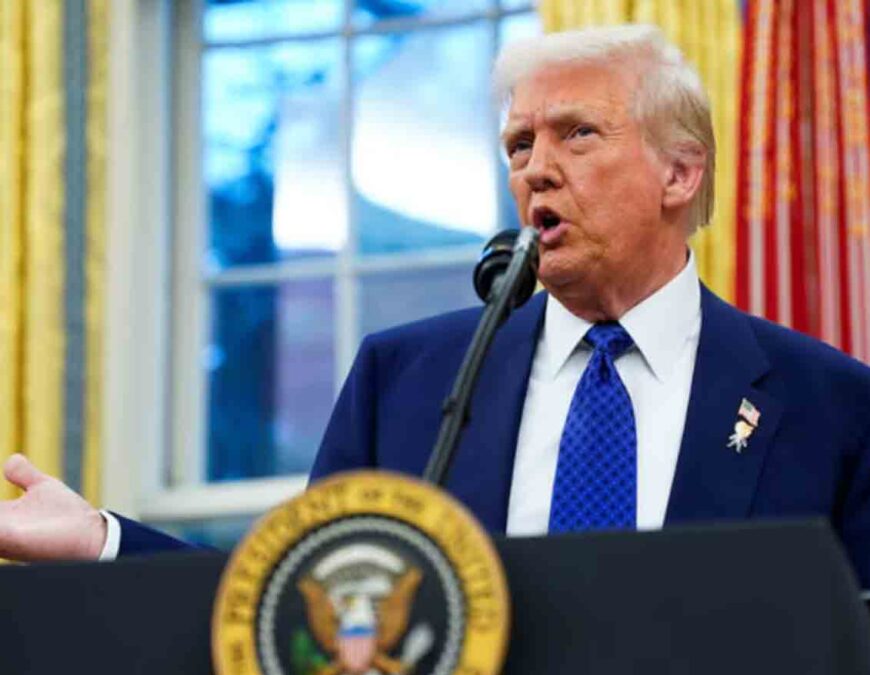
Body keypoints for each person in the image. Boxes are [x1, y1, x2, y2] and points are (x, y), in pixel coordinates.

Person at [3, 25, 870, 586]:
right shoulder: (409, 379)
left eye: (577, 133)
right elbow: (302, 605)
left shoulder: (828, 402)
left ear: (680, 173)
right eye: (519, 143)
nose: (534, 166)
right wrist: (101, 542)